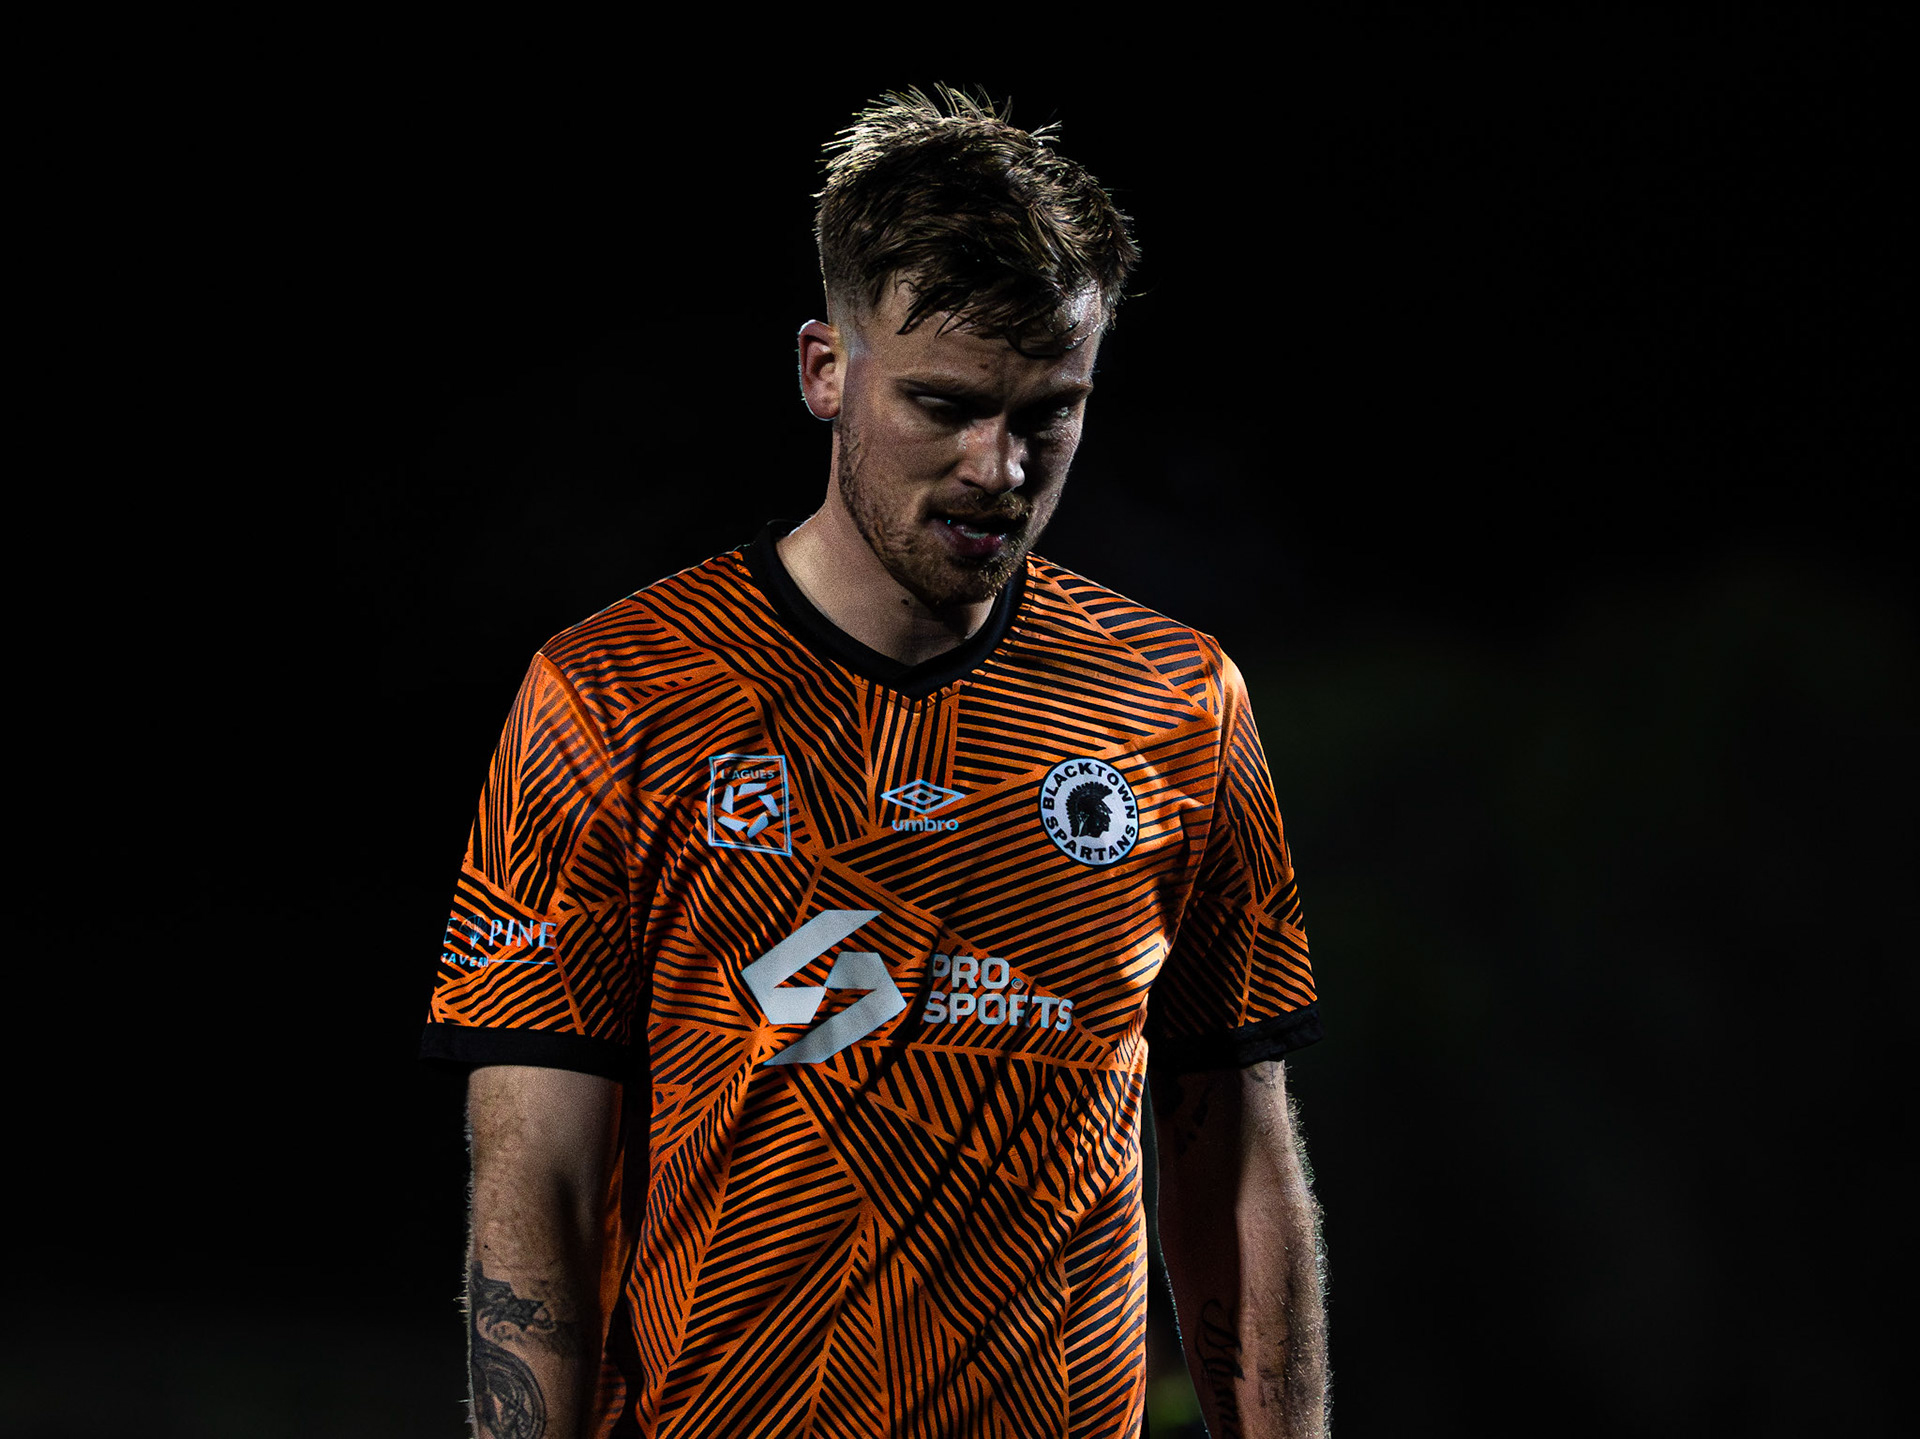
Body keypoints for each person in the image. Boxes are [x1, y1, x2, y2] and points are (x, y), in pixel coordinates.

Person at [423, 85, 1328, 1439]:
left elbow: (1240, 1162)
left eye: (1049, 413)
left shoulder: (1178, 704)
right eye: (944, 404)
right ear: (824, 371)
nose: (998, 468)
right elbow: (535, 1182)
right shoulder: (612, 695)